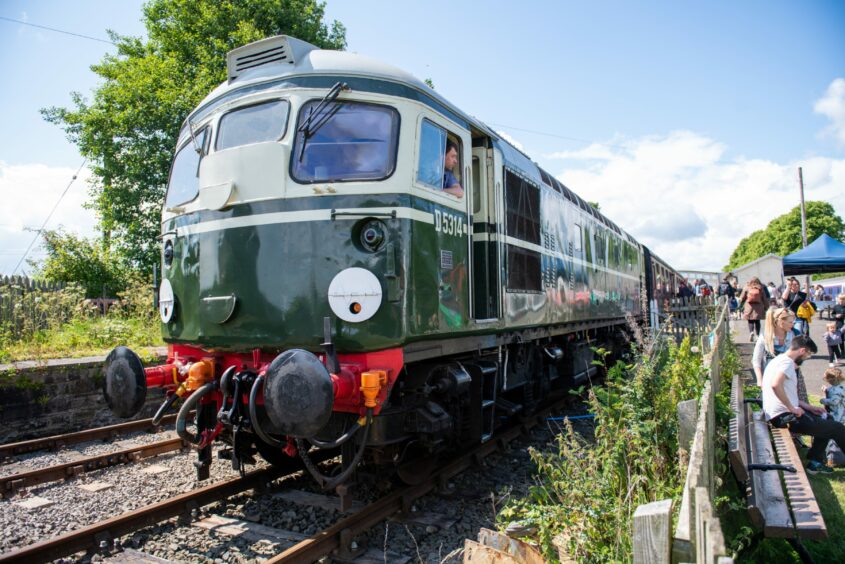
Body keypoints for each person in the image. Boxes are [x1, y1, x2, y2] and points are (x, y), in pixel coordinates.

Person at [762, 335, 845, 474]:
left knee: (827, 418)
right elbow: (775, 385)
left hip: (783, 414)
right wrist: (792, 408)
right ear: (802, 350)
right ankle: (815, 461)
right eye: (808, 354)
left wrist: (809, 407)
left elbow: (786, 392)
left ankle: (815, 462)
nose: (807, 358)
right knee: (837, 428)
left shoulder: (778, 360)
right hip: (784, 416)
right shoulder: (787, 363)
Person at [752, 307, 798, 387]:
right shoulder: (765, 337)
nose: (793, 324)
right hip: (770, 378)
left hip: (789, 377)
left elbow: (798, 357)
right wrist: (760, 380)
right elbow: (756, 360)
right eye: (790, 322)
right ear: (781, 322)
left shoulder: (793, 335)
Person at [738, 277, 770, 341]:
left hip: (749, 306)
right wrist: (767, 307)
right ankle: (757, 335)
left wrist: (740, 305)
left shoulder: (747, 287)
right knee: (757, 321)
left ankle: (751, 332)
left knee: (750, 321)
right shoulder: (760, 288)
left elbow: (742, 297)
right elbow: (764, 298)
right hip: (759, 307)